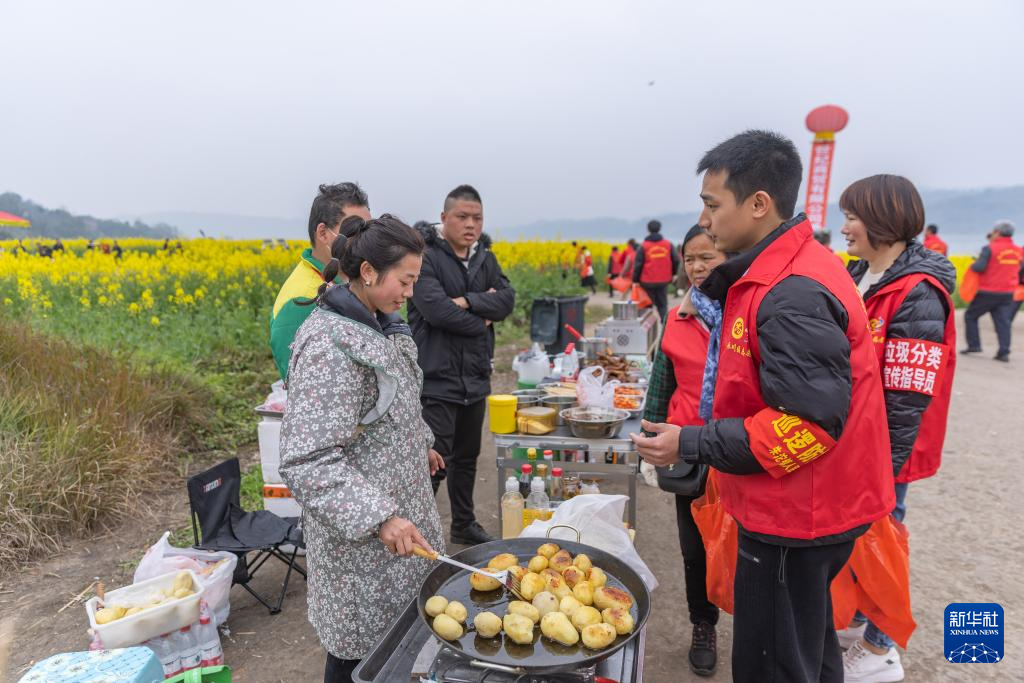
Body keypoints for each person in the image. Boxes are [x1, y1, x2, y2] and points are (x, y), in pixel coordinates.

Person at [631, 130, 894, 683]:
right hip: (799, 504)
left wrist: (691, 441)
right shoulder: (777, 271)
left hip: (798, 514)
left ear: (758, 203)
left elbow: (808, 423)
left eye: (712, 204)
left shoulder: (791, 289)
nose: (704, 219)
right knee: (807, 645)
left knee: (771, 662)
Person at [279, 214, 445, 683]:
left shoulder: (376, 322)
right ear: (369, 271)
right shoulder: (329, 346)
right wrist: (380, 517)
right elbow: (306, 459)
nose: (410, 293)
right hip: (360, 550)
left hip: (400, 531)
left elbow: (389, 408)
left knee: (399, 651)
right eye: (405, 280)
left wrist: (421, 446)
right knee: (359, 661)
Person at [838, 175, 957, 682]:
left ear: (884, 221)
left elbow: (907, 397)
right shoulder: (860, 273)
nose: (843, 228)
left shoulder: (920, 295)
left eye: (852, 217)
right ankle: (862, 620)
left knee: (883, 539)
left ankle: (880, 647)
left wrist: (880, 473)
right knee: (857, 542)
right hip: (852, 443)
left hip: (887, 449)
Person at [408, 184, 516, 546]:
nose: (471, 224)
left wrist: (468, 302)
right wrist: (481, 317)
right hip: (437, 377)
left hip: (474, 376)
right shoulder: (425, 255)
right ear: (444, 218)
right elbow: (435, 310)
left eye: (477, 217)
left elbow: (506, 300)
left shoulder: (484, 254)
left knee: (467, 457)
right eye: (462, 217)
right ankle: (414, 531)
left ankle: (463, 525)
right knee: (434, 461)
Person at [643, 224, 728, 677]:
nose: (696, 267)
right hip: (689, 450)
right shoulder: (679, 318)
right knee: (695, 548)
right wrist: (650, 441)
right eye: (690, 259)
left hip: (738, 452)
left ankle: (753, 621)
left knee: (738, 547)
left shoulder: (748, 313)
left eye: (707, 258)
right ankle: (704, 624)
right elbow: (661, 386)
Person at [270, 182, 371, 380]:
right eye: (354, 231)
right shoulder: (301, 299)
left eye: (367, 230)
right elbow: (300, 382)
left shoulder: (347, 279)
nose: (365, 240)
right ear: (323, 233)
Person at [962, 220, 1023, 362]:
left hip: (988, 291)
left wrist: (975, 262)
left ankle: (974, 345)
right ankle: (1004, 352)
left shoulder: (989, 248)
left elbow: (979, 268)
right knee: (1003, 322)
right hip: (1008, 292)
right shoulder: (1018, 250)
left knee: (970, 316)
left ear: (997, 232)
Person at [633, 219, 680, 320]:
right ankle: (665, 330)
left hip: (646, 281)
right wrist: (674, 274)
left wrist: (635, 280)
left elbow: (638, 264)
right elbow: (676, 260)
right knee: (662, 306)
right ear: (659, 229)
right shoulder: (668, 244)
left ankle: (646, 330)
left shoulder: (644, 246)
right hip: (663, 280)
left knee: (647, 306)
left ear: (648, 229)